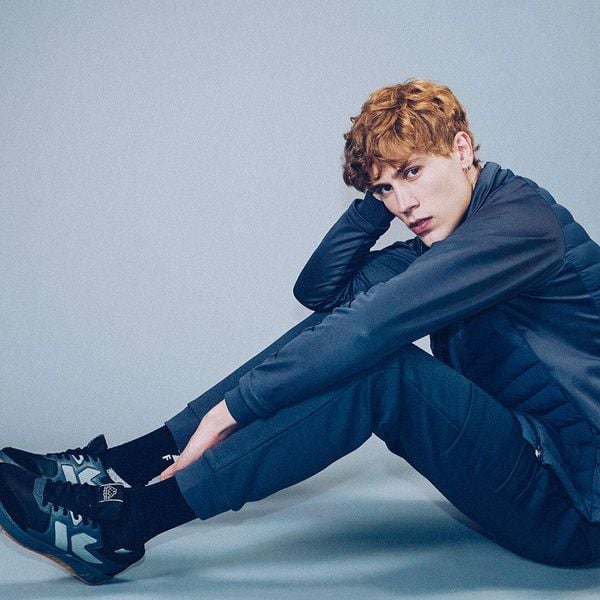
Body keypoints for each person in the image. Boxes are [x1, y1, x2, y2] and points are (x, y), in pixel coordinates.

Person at [1, 79, 599, 585]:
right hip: (529, 454)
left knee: (381, 367)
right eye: (388, 189)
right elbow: (324, 293)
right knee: (341, 332)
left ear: (462, 148)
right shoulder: (447, 235)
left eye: (415, 172)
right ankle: (128, 465)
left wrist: (229, 413)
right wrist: (379, 189)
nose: (405, 203)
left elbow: (368, 328)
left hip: (574, 504)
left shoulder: (522, 227)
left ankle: (124, 523)